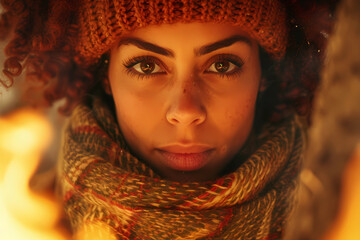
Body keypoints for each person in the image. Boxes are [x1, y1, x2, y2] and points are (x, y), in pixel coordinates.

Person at [0, 0, 332, 239]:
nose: (185, 111)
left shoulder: (339, 214)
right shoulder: (25, 215)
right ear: (106, 76)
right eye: (146, 66)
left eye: (222, 65)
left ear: (263, 74)